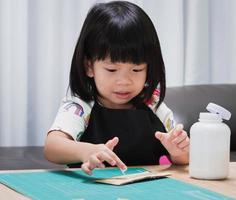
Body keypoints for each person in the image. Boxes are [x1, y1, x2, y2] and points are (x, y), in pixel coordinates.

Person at [44, 1, 189, 175]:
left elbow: (183, 159)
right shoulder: (82, 105)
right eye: (112, 70)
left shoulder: (153, 104)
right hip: (89, 189)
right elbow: (52, 147)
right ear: (89, 66)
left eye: (137, 69)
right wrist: (87, 151)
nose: (124, 81)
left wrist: (178, 151)